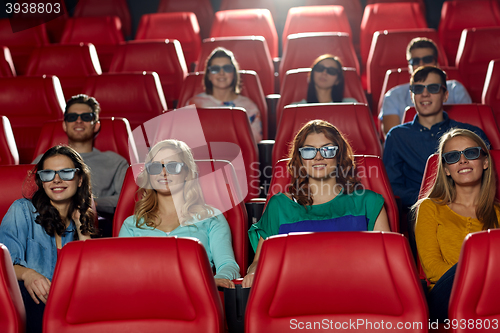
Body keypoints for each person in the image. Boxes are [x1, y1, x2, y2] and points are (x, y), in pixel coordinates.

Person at [242, 120, 390, 287]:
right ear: (300, 159)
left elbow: (387, 262)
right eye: (309, 151)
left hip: (357, 291)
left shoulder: (368, 202)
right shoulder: (279, 206)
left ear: (339, 155)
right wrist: (253, 272)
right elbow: (259, 262)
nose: (318, 157)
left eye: (327, 150)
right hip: (293, 294)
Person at [118, 139, 240, 288]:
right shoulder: (132, 224)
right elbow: (122, 272)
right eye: (155, 166)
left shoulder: (211, 218)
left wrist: (211, 282)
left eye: (173, 166)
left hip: (197, 294)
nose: (163, 173)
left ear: (187, 174)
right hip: (146, 296)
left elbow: (228, 265)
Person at [0, 145, 95, 333]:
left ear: (79, 179)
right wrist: (28, 274)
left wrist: (81, 226)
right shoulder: (22, 210)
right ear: (41, 181)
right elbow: (4, 265)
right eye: (48, 174)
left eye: (66, 173)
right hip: (32, 307)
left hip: (72, 310)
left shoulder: (83, 218)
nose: (56, 180)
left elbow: (91, 278)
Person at [414, 128, 500, 322]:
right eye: (452, 157)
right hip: (445, 298)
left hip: (492, 295)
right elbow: (432, 268)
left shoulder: (498, 214)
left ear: (485, 162)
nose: (462, 160)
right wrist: (476, 280)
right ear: (446, 169)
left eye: (471, 153)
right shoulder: (430, 207)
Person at [383, 66, 489, 211]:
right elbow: (392, 187)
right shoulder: (397, 137)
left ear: (445, 95)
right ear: (412, 95)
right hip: (420, 209)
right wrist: (432, 200)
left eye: (433, 88)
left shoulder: (471, 133)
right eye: (418, 89)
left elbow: (488, 177)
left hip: (471, 206)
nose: (425, 94)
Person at [33, 94, 129, 236]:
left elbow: (126, 198)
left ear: (96, 125)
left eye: (86, 117)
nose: (78, 121)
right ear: (65, 125)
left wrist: (91, 204)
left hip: (98, 222)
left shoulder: (115, 161)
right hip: (50, 219)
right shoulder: (43, 160)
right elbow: (30, 192)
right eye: (72, 117)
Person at [380, 37, 472, 135]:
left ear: (437, 63)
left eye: (427, 59)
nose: (421, 64)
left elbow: (468, 129)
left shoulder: (456, 89)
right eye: (415, 61)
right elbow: (395, 138)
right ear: (409, 66)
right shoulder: (393, 96)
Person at [187, 47, 262, 143]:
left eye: (227, 68)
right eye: (215, 69)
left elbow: (253, 142)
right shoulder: (194, 104)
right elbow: (186, 140)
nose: (221, 73)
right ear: (209, 75)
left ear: (234, 73)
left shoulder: (249, 106)